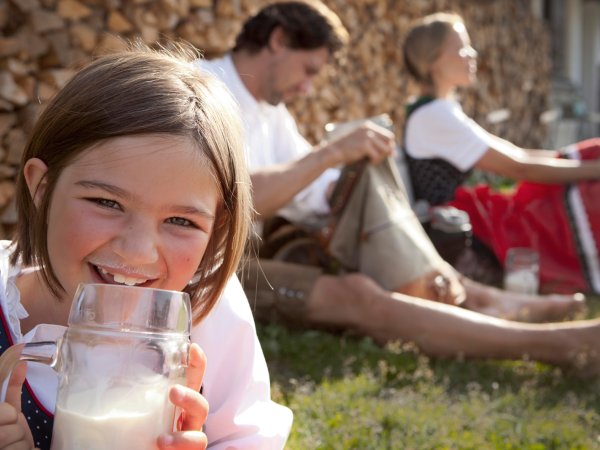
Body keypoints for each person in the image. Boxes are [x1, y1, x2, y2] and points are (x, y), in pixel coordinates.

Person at [191, 0, 600, 375]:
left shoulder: (271, 113)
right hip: (213, 268)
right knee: (358, 296)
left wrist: (358, 173)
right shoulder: (202, 91)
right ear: (278, 41)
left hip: (269, 247)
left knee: (368, 174)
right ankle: (557, 343)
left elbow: (317, 191)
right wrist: (330, 154)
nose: (308, 90)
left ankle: (469, 293)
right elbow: (228, 202)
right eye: (309, 70)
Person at [0, 43, 292, 449]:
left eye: (180, 221)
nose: (137, 252)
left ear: (216, 226)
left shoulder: (208, 315)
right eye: (107, 203)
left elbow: (248, 439)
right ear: (41, 188)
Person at [402, 12, 600, 294]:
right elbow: (519, 168)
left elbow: (518, 154)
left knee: (589, 156)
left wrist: (578, 157)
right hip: (454, 225)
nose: (472, 54)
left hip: (464, 215)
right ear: (433, 61)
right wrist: (593, 169)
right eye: (461, 48)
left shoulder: (439, 109)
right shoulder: (435, 115)